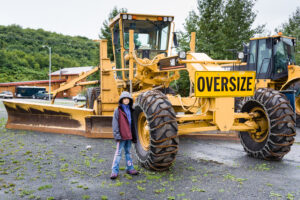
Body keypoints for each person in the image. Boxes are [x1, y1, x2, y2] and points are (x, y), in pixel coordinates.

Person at [110, 91, 139, 179]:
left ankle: (130, 168)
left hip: (129, 135)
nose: (126, 100)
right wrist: (117, 135)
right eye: (124, 99)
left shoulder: (131, 110)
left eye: (128, 99)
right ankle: (114, 171)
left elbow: (133, 124)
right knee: (118, 153)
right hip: (121, 136)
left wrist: (134, 135)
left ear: (130, 100)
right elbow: (115, 124)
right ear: (121, 100)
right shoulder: (117, 111)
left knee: (128, 152)